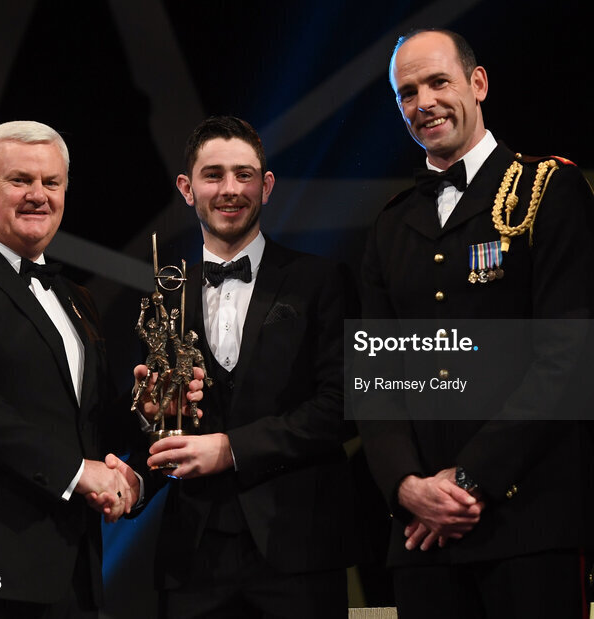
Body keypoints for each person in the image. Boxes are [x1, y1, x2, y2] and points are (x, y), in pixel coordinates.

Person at [0, 121, 201, 618]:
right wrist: (80, 474)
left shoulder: (76, 299)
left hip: (69, 577)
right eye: (20, 180)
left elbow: (84, 424)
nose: (38, 195)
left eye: (51, 183)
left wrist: (145, 412)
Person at [357, 29, 594, 618]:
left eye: (438, 82)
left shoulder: (549, 188)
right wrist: (407, 489)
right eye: (407, 92)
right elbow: (376, 376)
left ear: (478, 83)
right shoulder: (390, 225)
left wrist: (471, 480)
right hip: (423, 536)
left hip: (530, 521)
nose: (424, 103)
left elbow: (570, 359)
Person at [144, 116, 356, 619]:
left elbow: (342, 405)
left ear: (267, 185)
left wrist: (232, 449)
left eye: (244, 174)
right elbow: (155, 425)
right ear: (187, 188)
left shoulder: (321, 281)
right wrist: (153, 413)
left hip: (298, 549)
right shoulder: (161, 294)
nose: (230, 189)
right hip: (192, 557)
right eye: (213, 175)